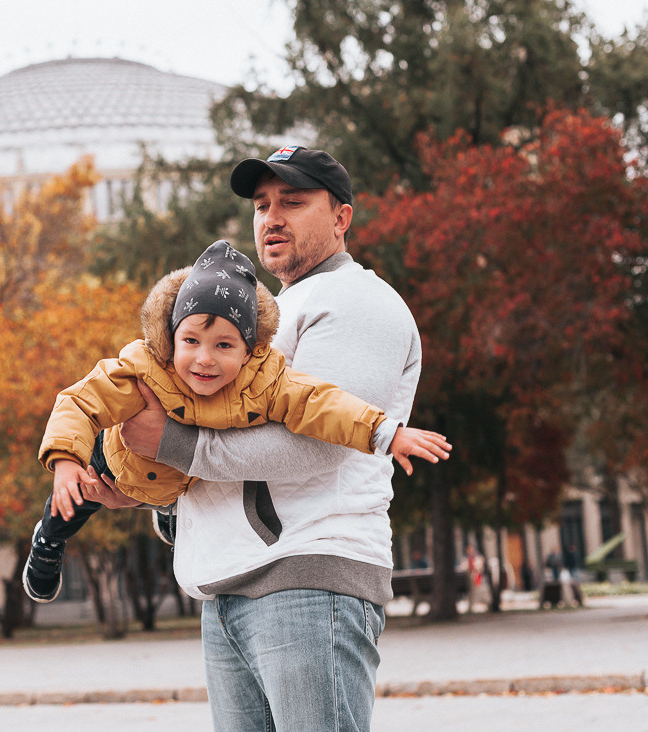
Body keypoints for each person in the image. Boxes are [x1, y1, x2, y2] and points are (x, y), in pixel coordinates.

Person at [88, 146, 438, 730]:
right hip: (230, 590)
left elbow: (319, 446)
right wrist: (144, 489)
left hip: (306, 579)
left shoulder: (355, 301)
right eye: (261, 204)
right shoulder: (255, 318)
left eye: (293, 203)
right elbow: (224, 443)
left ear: (341, 218)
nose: (271, 218)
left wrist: (169, 442)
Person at [24, 239, 451, 603]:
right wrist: (65, 461)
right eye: (190, 341)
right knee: (76, 498)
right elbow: (79, 402)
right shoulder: (142, 372)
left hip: (176, 476)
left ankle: (168, 507)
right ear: (169, 339)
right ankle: (48, 542)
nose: (204, 359)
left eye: (224, 345)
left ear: (248, 351)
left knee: (183, 473)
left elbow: (324, 404)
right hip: (116, 459)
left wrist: (386, 432)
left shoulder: (265, 384)